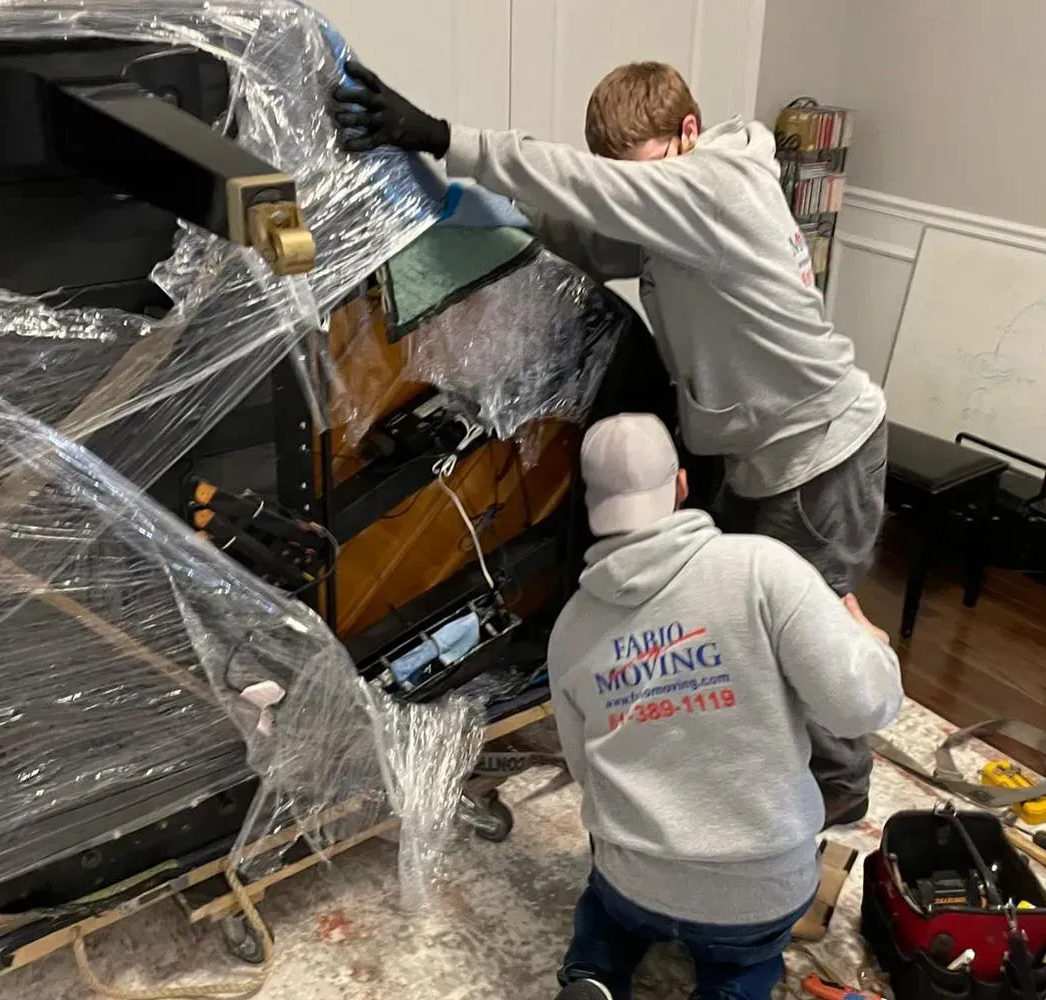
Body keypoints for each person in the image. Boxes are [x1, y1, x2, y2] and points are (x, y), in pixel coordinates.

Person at [332, 61, 890, 824]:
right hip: (761, 452)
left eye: (638, 175)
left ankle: (833, 814)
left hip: (820, 451)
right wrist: (488, 212)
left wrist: (439, 138)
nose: (632, 192)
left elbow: (596, 192)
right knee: (737, 618)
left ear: (688, 133)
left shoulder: (720, 187)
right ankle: (751, 763)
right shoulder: (684, 208)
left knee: (809, 634)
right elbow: (598, 240)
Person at [539, 413, 901, 1000]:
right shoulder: (763, 568)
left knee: (607, 914)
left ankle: (592, 976)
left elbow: (585, 772)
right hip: (758, 890)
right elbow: (862, 708)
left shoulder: (572, 627)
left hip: (635, 879)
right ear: (682, 486)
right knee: (742, 970)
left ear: (591, 506)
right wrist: (872, 648)